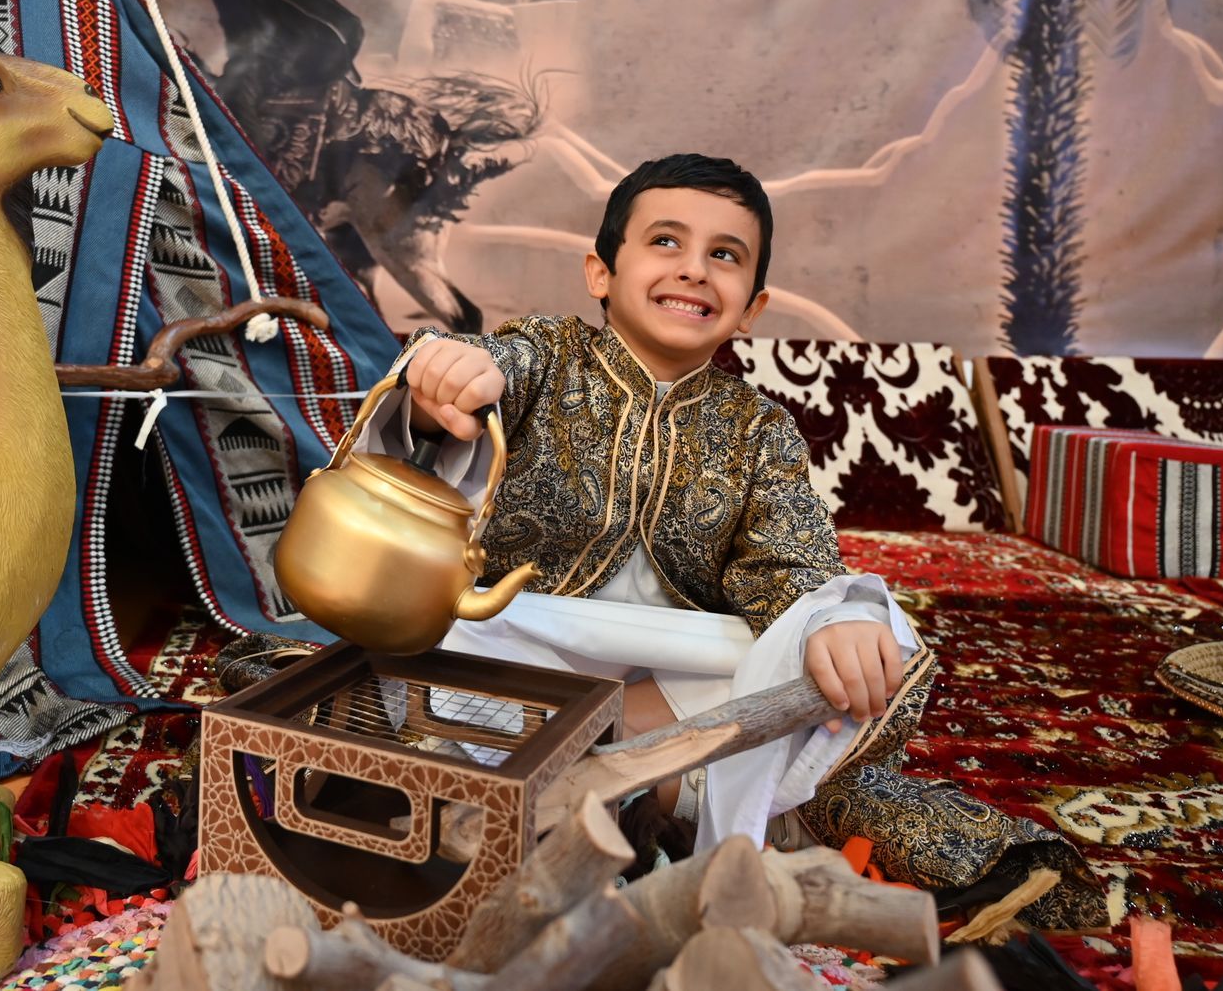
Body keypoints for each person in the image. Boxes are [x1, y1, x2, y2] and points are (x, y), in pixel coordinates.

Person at [365, 153, 1101, 925]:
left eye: (724, 256)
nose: (693, 271)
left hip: (673, 696)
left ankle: (616, 761)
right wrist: (444, 378)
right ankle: (649, 792)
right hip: (512, 658)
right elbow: (472, 378)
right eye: (666, 242)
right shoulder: (544, 356)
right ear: (600, 273)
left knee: (878, 634)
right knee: (425, 630)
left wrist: (835, 619)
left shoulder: (757, 433)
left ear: (751, 305)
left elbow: (796, 567)